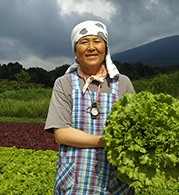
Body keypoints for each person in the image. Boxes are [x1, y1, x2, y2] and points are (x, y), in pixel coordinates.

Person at [45, 20, 135, 194]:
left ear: (106, 47)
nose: (91, 47)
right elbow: (62, 134)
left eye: (97, 41)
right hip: (75, 178)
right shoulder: (64, 84)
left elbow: (134, 129)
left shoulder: (122, 83)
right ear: (74, 49)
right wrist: (105, 142)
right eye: (84, 42)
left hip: (115, 179)